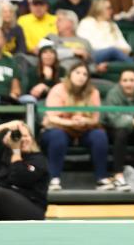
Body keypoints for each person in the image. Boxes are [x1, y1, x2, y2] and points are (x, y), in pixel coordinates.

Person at [40, 60, 112, 191]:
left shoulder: (93, 92)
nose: (81, 76)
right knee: (58, 136)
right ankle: (54, 178)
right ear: (70, 74)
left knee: (99, 135)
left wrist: (84, 121)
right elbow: (52, 117)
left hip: (83, 129)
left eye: (85, 74)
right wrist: (71, 122)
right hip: (58, 129)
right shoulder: (58, 89)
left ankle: (101, 178)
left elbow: (96, 119)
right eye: (77, 72)